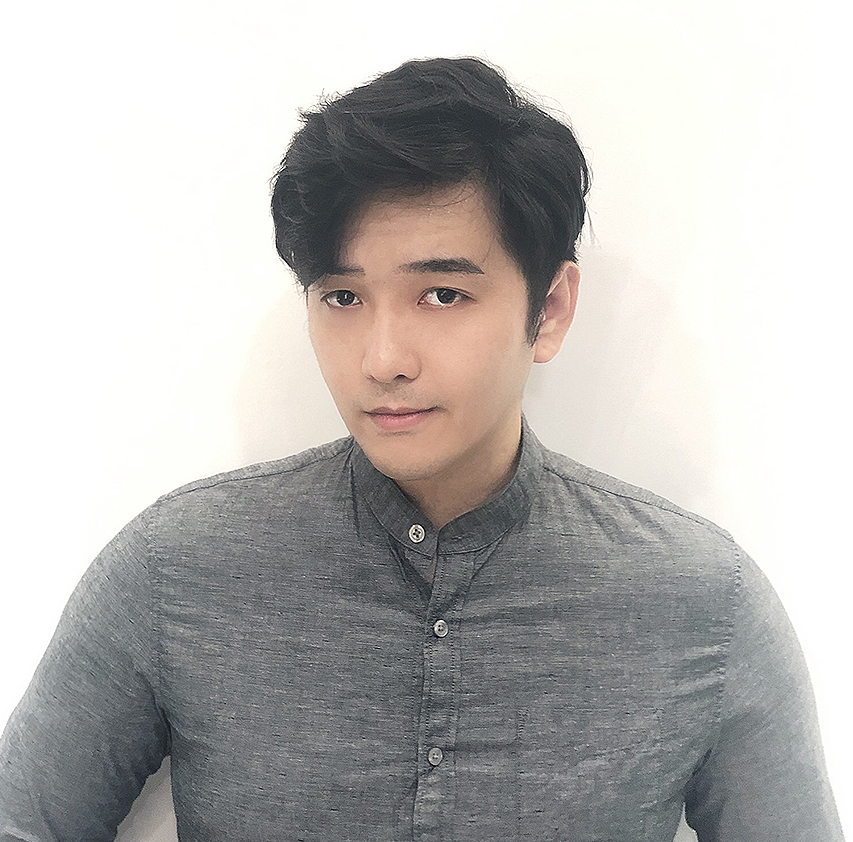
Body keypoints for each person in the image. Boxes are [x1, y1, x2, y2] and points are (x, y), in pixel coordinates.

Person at [0, 57, 843, 842]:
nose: (381, 359)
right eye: (341, 296)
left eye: (441, 293)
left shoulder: (702, 602)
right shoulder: (177, 568)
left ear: (549, 309)